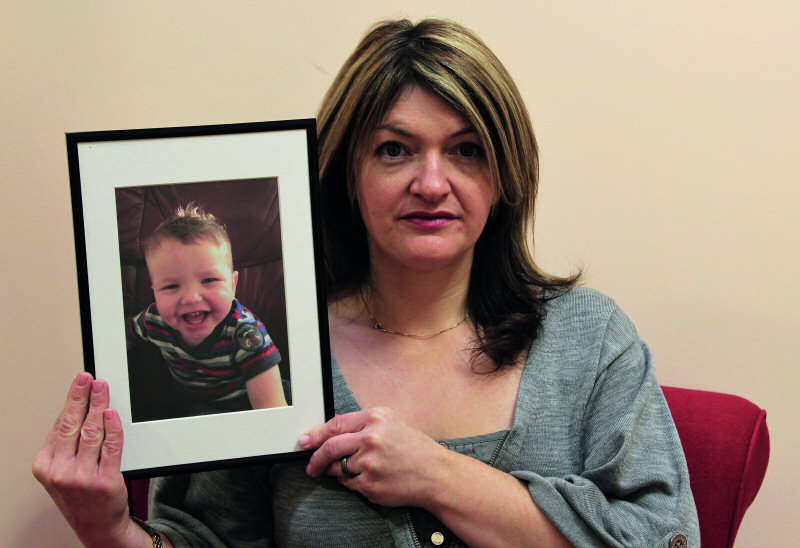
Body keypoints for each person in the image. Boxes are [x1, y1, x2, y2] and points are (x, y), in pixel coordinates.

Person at [33, 18, 699, 547]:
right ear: (348, 176)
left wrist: (437, 475)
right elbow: (208, 539)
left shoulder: (590, 338)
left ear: (504, 174)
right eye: (394, 149)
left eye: (466, 150)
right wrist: (107, 529)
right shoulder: (275, 352)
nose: (432, 183)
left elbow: (659, 536)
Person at [127, 203, 286, 414]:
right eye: (171, 286)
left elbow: (272, 411)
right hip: (191, 403)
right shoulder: (153, 320)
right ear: (154, 290)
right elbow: (117, 343)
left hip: (245, 402)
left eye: (209, 280)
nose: (192, 297)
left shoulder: (245, 333)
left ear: (233, 284)